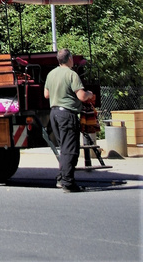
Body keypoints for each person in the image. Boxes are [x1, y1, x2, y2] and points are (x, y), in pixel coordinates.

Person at [44, 48, 95, 193]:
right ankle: (68, 182)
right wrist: (90, 94)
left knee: (64, 148)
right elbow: (81, 96)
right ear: (70, 59)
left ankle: (62, 178)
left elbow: (46, 94)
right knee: (71, 150)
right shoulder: (72, 75)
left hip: (54, 113)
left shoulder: (51, 74)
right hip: (67, 114)